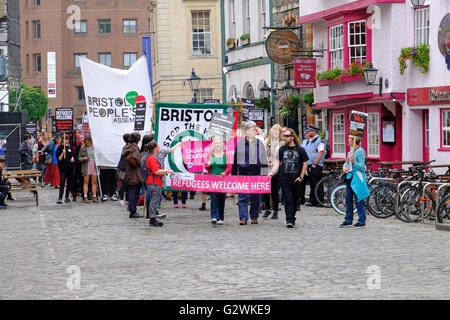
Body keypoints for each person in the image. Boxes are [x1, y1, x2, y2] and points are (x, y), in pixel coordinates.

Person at [269, 128, 308, 228]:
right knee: (288, 199)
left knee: (295, 200)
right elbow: (278, 162)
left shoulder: (300, 150)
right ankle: (289, 219)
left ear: (292, 137)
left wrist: (301, 176)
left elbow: (305, 163)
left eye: (287, 136)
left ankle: (292, 216)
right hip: (284, 177)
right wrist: (272, 172)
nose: (285, 138)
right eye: (284, 136)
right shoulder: (282, 149)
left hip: (296, 178)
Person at [232, 120, 268, 225]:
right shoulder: (240, 144)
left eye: (255, 129)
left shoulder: (259, 143)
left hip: (256, 173)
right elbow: (235, 160)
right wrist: (234, 176)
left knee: (255, 197)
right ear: (246, 131)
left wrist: (265, 174)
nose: (255, 131)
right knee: (242, 197)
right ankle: (243, 218)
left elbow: (264, 158)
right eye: (253, 129)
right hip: (243, 173)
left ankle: (254, 216)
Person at [340, 135, 370, 228]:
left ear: (354, 140)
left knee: (359, 199)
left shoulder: (360, 151)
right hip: (349, 177)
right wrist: (344, 167)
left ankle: (361, 221)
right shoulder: (351, 151)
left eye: (349, 138)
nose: (347, 140)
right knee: (348, 199)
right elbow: (346, 163)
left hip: (357, 178)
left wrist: (354, 162)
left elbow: (361, 167)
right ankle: (348, 219)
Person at [145, 141, 174, 227]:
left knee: (154, 200)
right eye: (158, 147)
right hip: (154, 182)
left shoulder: (151, 157)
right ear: (154, 149)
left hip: (155, 181)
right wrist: (167, 171)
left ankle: (153, 218)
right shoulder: (152, 158)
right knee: (154, 201)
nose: (159, 149)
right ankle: (152, 219)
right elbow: (156, 171)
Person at [205, 136, 232, 225]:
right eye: (216, 143)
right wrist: (208, 164)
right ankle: (214, 217)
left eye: (219, 143)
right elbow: (205, 166)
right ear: (213, 145)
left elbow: (229, 167)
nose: (218, 145)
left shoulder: (226, 155)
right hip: (213, 180)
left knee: (221, 199)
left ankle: (221, 218)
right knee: (214, 198)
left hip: (222, 180)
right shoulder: (210, 154)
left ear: (222, 144)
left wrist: (225, 172)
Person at [263, 124, 283, 220]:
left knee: (275, 191)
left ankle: (275, 210)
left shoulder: (282, 143)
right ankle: (267, 208)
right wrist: (265, 162)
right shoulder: (266, 142)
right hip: (266, 168)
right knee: (266, 191)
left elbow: (281, 157)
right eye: (274, 130)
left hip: (277, 168)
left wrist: (275, 163)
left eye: (277, 130)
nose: (275, 132)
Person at [122, 132, 143, 218]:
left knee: (131, 191)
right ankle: (133, 211)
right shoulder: (134, 148)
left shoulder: (127, 147)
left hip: (129, 172)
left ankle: (132, 209)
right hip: (135, 173)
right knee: (134, 192)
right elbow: (138, 160)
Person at [304, 126, 325, 207]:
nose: (308, 132)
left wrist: (315, 163)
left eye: (310, 131)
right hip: (310, 164)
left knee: (317, 183)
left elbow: (321, 152)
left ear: (314, 132)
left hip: (316, 165)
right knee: (312, 184)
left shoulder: (319, 141)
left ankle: (320, 201)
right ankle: (313, 200)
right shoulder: (311, 141)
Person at [56, 133, 76, 204]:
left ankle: (67, 197)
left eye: (67, 139)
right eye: (65, 139)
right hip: (63, 168)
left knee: (69, 183)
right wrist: (62, 153)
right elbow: (59, 158)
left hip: (70, 168)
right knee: (62, 182)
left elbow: (73, 155)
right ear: (62, 140)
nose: (66, 141)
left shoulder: (70, 147)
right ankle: (60, 198)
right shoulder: (60, 148)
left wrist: (73, 158)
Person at [78, 135, 99, 203]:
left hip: (94, 165)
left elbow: (98, 155)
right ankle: (85, 196)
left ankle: (94, 196)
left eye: (88, 142)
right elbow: (79, 157)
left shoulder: (94, 147)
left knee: (94, 182)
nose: (87, 143)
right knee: (86, 182)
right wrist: (84, 158)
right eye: (86, 142)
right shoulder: (83, 147)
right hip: (86, 165)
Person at [116, 133, 131, 206]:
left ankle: (126, 199)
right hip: (124, 167)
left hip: (125, 167)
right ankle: (121, 198)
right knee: (124, 184)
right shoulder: (127, 147)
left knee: (126, 184)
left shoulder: (127, 147)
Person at [298, 127, 311, 205]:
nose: (305, 135)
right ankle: (301, 198)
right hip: (303, 164)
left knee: (312, 183)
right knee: (302, 183)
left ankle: (312, 198)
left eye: (306, 133)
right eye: (304, 134)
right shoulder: (304, 141)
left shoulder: (314, 141)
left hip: (311, 164)